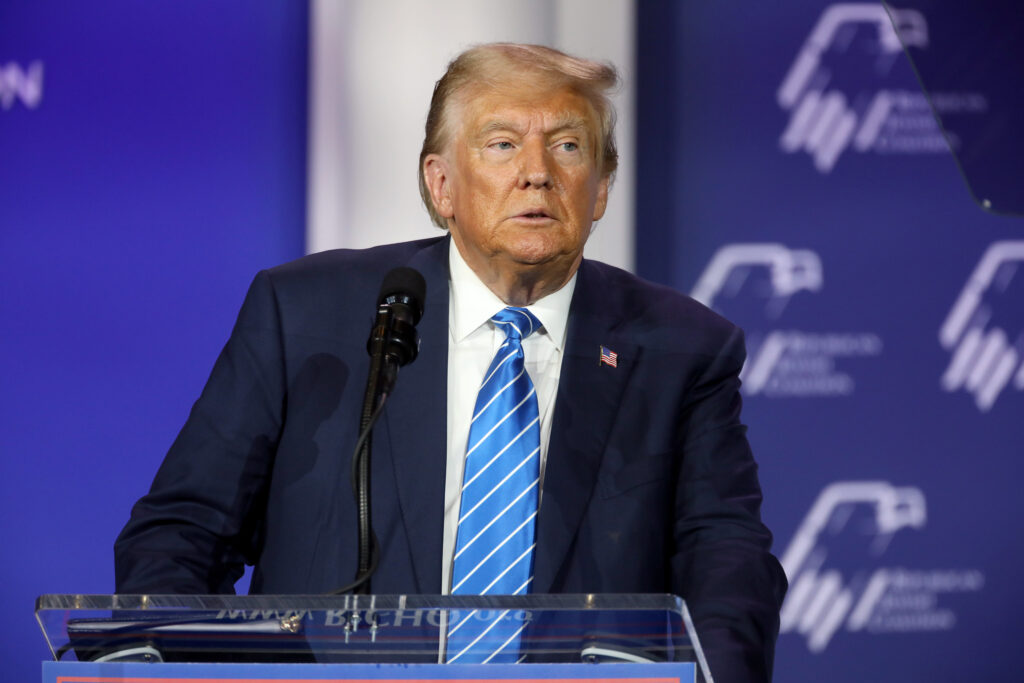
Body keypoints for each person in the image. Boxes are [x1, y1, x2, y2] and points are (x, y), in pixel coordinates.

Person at [115, 43, 786, 680]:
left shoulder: (680, 350)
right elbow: (180, 534)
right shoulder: (307, 315)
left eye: (569, 146)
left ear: (601, 188)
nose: (537, 171)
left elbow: (728, 569)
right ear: (442, 185)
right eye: (502, 144)